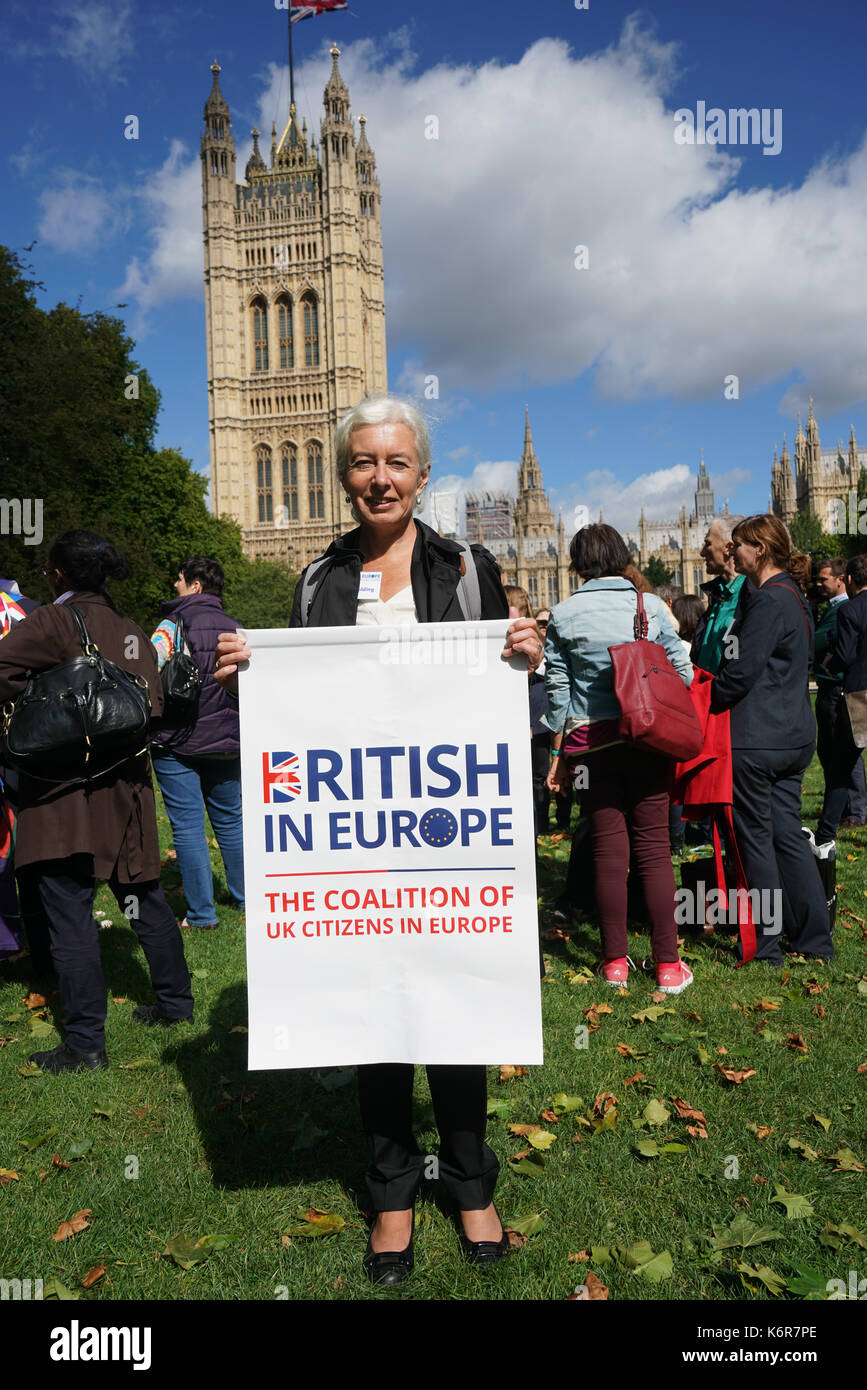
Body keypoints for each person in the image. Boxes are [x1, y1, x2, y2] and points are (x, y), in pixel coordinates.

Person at [214, 395, 543, 1285]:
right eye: (362, 463)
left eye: (395, 462)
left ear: (421, 475)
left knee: (459, 1015)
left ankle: (471, 1186)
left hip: (441, 833)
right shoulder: (319, 584)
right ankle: (392, 1198)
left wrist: (523, 654)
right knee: (375, 1020)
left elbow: (507, 702)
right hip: (352, 835)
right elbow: (303, 718)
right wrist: (258, 673)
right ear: (344, 475)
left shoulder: (467, 570)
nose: (379, 478)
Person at [0, 530, 194, 1072]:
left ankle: (85, 1045)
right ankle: (176, 1005)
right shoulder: (131, 631)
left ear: (57, 575)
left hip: (61, 796)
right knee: (144, 900)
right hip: (126, 790)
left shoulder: (51, 622)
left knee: (68, 914)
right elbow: (153, 704)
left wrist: (38, 702)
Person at [544, 523, 694, 992]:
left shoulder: (564, 614)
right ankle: (667, 965)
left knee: (608, 851)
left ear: (577, 564)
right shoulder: (649, 607)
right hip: (648, 740)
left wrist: (560, 752)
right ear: (621, 555)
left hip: (591, 747)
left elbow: (558, 693)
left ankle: (614, 963)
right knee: (653, 848)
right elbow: (684, 672)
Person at [709, 514, 833, 962]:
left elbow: (740, 672)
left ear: (759, 550)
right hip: (794, 736)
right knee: (787, 836)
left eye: (737, 544)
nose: (731, 551)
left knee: (756, 842)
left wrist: (707, 696)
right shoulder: (794, 597)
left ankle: (766, 943)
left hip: (758, 740)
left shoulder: (765, 602)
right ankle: (815, 939)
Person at [149, 557, 245, 930]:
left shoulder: (172, 625)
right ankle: (244, 897)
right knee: (231, 823)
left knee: (188, 828)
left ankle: (202, 915)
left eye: (180, 579)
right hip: (226, 741)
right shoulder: (236, 627)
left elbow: (146, 666)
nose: (175, 585)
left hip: (178, 740)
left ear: (196, 586)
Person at [813, 557, 866, 837]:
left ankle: (835, 824)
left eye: (824, 579)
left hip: (855, 692)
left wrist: (828, 662)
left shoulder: (849, 609)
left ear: (847, 579)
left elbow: (845, 655)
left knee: (845, 759)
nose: (819, 584)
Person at [692, 515, 747, 675]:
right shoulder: (718, 595)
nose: (702, 552)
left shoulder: (752, 595)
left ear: (729, 548)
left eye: (708, 544)